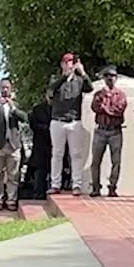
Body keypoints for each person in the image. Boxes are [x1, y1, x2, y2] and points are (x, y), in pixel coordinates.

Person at [48, 52, 93, 195]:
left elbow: (90, 88)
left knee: (76, 154)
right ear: (62, 64)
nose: (70, 65)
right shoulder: (55, 79)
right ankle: (56, 184)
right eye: (67, 62)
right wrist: (64, 77)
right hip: (58, 121)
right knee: (57, 153)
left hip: (74, 121)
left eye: (72, 62)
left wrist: (83, 72)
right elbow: (51, 90)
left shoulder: (79, 81)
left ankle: (76, 184)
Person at [0, 77, 26, 211]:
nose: (5, 90)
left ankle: (11, 199)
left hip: (13, 144)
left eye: (7, 87)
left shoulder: (17, 104)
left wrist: (13, 108)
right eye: (3, 87)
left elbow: (24, 117)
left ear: (11, 89)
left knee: (13, 173)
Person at [89, 66, 127, 197]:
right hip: (101, 130)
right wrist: (108, 107)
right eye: (107, 76)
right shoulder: (99, 94)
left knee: (116, 161)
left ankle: (112, 187)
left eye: (112, 76)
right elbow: (95, 107)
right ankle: (95, 187)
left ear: (116, 78)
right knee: (95, 161)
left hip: (115, 131)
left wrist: (105, 107)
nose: (110, 79)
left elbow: (119, 110)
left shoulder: (120, 95)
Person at [27, 91, 53, 199]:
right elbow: (33, 125)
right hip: (41, 145)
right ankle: (38, 195)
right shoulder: (38, 109)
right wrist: (47, 129)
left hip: (55, 145)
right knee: (40, 173)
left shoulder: (60, 109)